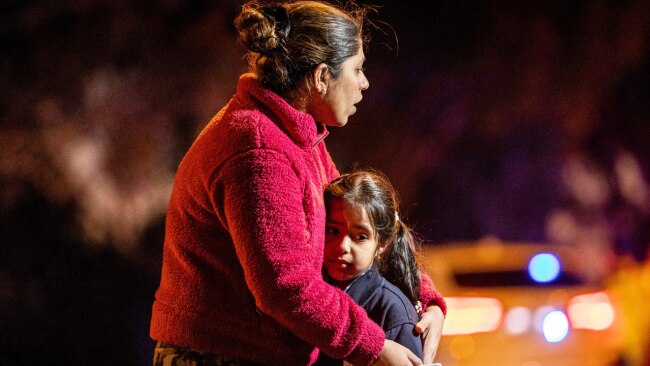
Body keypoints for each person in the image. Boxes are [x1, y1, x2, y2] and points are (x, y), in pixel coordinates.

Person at [149, 1, 446, 365]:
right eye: (358, 69)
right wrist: (375, 347)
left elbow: (370, 222)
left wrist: (425, 302)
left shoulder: (296, 139)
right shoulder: (259, 150)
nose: (365, 83)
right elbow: (285, 288)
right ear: (322, 77)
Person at [316, 170, 427, 365]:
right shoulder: (313, 297)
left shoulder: (394, 312)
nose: (342, 246)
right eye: (333, 230)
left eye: (360, 236)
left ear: (383, 244)